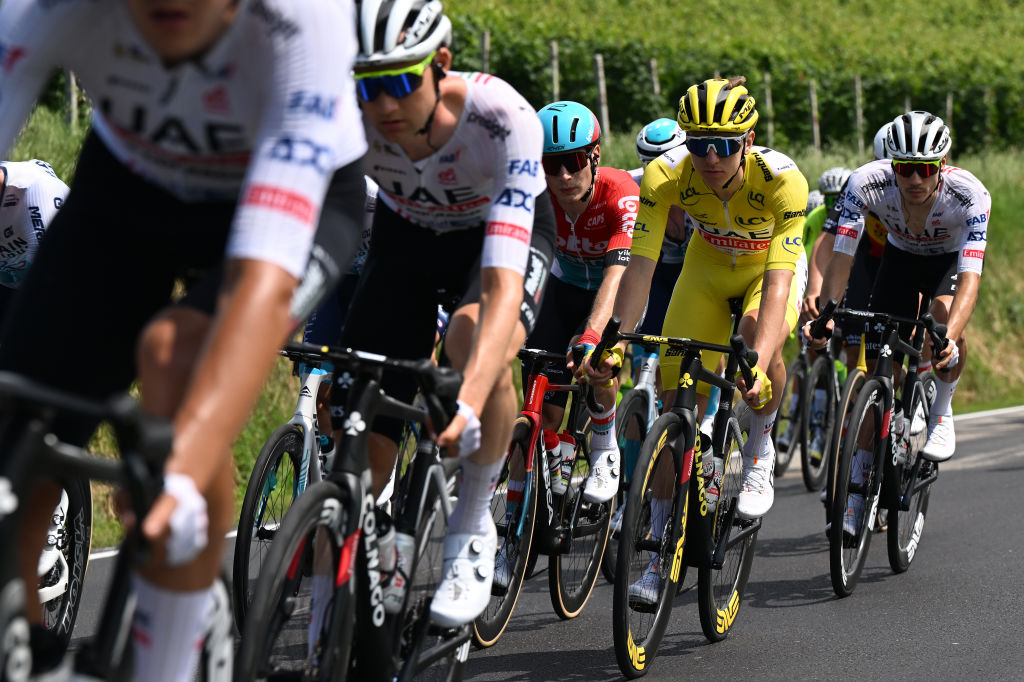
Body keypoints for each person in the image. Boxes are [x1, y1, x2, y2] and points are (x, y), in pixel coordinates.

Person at [0, 1, 368, 678]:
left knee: (176, 359)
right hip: (133, 178)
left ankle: (169, 649)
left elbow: (261, 276)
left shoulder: (302, 24)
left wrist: (178, 475)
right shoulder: (41, 8)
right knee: (17, 437)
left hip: (290, 196)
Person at [338, 0, 556, 630]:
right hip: (408, 234)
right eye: (368, 86)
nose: (383, 106)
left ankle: (472, 524)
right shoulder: (345, 116)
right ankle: (362, 557)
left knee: (474, 337)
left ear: (440, 65)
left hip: (494, 236)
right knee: (365, 403)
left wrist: (467, 403)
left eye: (402, 81)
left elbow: (500, 280)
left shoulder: (500, 119)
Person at [590, 76, 808, 601]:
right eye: (699, 144)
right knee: (675, 400)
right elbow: (638, 269)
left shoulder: (783, 182)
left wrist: (756, 365)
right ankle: (661, 543)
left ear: (748, 141)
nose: (710, 157)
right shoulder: (666, 175)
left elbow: (780, 283)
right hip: (706, 270)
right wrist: (617, 337)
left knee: (758, 339)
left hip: (764, 273)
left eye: (725, 145)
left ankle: (758, 450)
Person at [812, 111, 989, 533]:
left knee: (945, 326)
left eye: (925, 169)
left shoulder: (970, 195)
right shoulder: (865, 182)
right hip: (900, 259)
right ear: (892, 165)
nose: (914, 179)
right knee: (880, 372)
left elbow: (969, 282)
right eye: (905, 168)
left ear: (941, 165)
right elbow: (842, 256)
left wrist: (950, 338)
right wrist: (827, 311)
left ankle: (942, 413)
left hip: (947, 262)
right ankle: (857, 493)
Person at [515, 99, 638, 510]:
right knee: (540, 410)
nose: (564, 176)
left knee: (602, 363)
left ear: (595, 156)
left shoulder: (620, 193)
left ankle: (603, 446)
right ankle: (540, 489)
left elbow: (616, 276)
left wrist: (591, 335)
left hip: (611, 289)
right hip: (562, 287)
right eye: (551, 166)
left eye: (573, 161)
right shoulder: (534, 196)